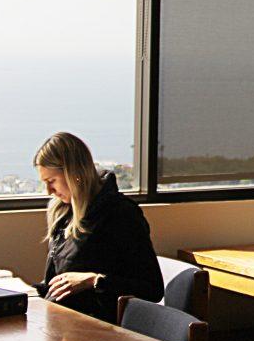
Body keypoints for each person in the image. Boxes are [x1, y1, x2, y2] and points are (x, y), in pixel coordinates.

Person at [33, 132, 163, 323]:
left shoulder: (121, 214)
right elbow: (57, 280)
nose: (49, 191)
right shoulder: (64, 214)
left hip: (100, 330)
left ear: (73, 174)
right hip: (65, 324)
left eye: (51, 181)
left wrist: (94, 281)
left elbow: (152, 289)